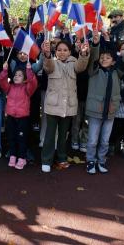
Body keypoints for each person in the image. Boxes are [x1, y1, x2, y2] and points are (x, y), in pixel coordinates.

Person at [85, 33, 124, 175]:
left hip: (110, 112)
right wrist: (96, 45)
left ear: (114, 61)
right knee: (92, 140)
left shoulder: (117, 72)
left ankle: (101, 160)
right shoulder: (94, 72)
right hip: (95, 111)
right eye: (102, 58)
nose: (104, 59)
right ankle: (90, 160)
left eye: (108, 58)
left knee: (104, 140)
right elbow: (93, 58)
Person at [40, 39, 89, 173]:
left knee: (63, 135)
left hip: (68, 106)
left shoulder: (74, 63)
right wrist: (47, 55)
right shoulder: (52, 63)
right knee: (50, 135)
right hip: (53, 105)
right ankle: (46, 159)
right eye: (59, 50)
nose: (62, 52)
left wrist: (84, 54)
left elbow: (82, 66)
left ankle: (61, 157)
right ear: (55, 52)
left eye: (65, 50)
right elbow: (47, 67)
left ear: (70, 51)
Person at [0, 61, 38, 170]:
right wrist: (5, 70)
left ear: (25, 78)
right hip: (11, 116)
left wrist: (29, 71)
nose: (16, 77)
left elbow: (33, 83)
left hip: (23, 118)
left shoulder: (27, 89)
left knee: (22, 138)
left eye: (20, 75)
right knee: (11, 137)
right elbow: (1, 81)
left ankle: (22, 157)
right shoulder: (10, 87)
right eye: (15, 75)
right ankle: (13, 155)